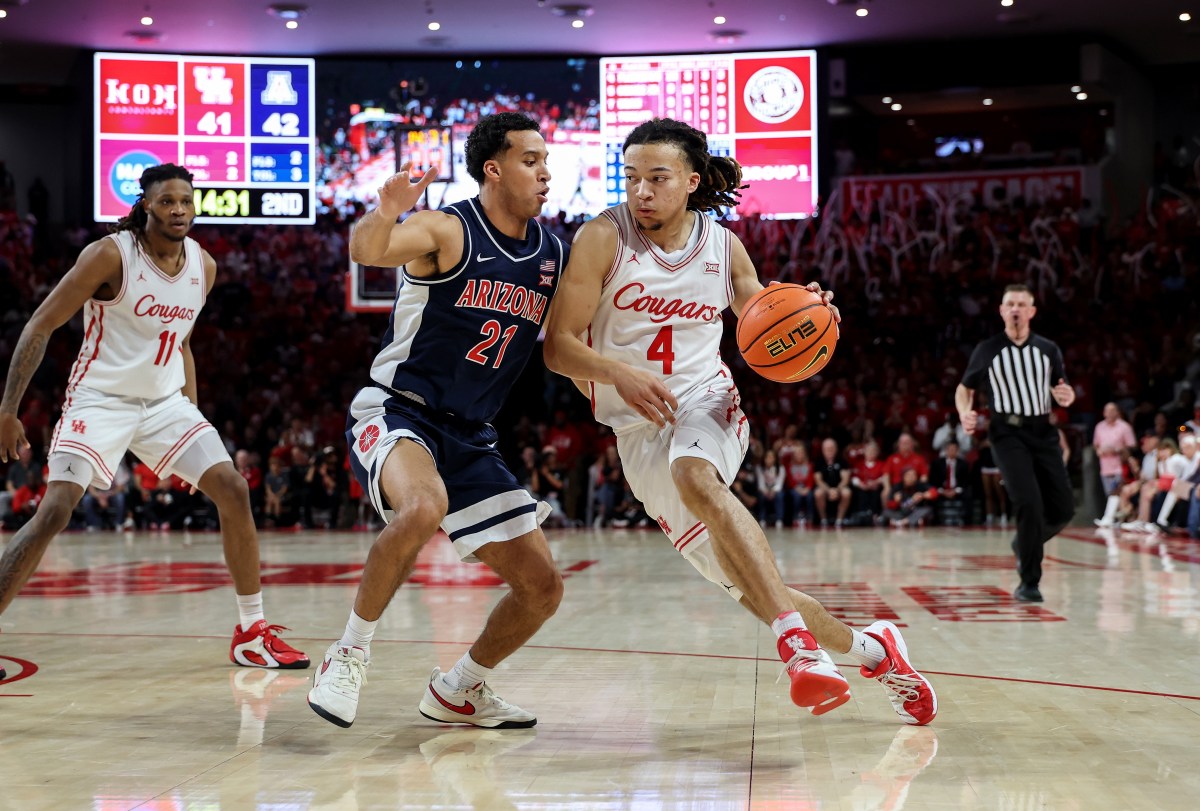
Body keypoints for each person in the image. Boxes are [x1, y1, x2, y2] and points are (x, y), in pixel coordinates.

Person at [543, 117, 935, 725]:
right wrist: (618, 373)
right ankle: (873, 650)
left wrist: (805, 310)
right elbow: (557, 348)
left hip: (707, 399)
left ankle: (798, 650)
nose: (640, 190)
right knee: (752, 587)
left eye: (657, 177)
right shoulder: (602, 237)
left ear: (691, 181)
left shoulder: (723, 246)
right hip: (637, 433)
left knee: (695, 475)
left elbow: (761, 309)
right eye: (630, 177)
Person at [308, 112, 567, 730]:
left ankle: (460, 689)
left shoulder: (552, 253)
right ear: (494, 169)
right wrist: (385, 209)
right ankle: (348, 653)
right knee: (422, 507)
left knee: (542, 588)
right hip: (400, 412)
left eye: (546, 160)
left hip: (472, 437)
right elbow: (368, 250)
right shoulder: (447, 229)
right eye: (531, 161)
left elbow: (563, 344)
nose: (545, 173)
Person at [0, 164, 308, 669]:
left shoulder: (202, 267)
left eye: (186, 201)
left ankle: (251, 633)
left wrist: (191, 425)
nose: (179, 210)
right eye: (167, 201)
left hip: (165, 405)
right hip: (100, 398)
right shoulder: (109, 254)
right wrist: (8, 409)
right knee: (54, 512)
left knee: (233, 487)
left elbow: (182, 345)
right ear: (146, 206)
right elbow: (42, 324)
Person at [956, 284, 1075, 603]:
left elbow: (1060, 387)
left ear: (1032, 311)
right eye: (1010, 303)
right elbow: (963, 388)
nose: (1016, 309)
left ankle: (1025, 541)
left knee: (1064, 508)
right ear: (1002, 310)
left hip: (1043, 432)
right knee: (1028, 502)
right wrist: (966, 413)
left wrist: (1068, 394)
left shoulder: (1048, 349)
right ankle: (1029, 583)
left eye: (1022, 304)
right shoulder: (988, 348)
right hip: (1006, 433)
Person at [1092, 403, 1136, 500]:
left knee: (1121, 496)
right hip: (1105, 468)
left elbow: (1132, 446)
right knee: (1110, 497)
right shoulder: (1099, 427)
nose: (1110, 413)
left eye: (1112, 410)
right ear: (1104, 413)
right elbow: (1095, 444)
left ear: (1117, 412)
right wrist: (1098, 450)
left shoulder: (1125, 427)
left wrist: (1118, 449)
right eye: (1107, 411)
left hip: (1121, 467)